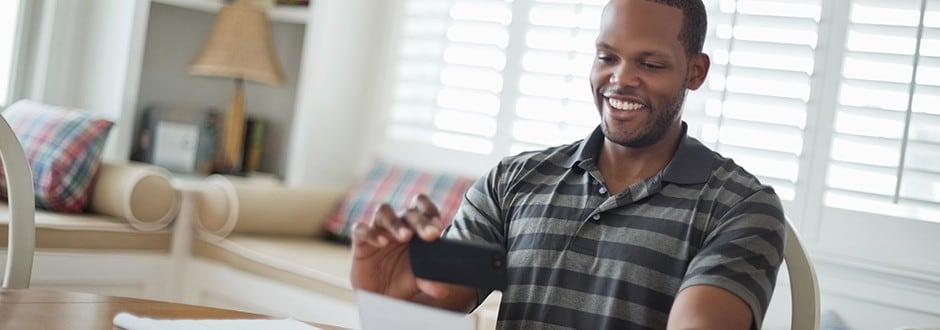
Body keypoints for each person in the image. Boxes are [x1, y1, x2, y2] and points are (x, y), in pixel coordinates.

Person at [350, 0, 786, 329]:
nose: (620, 79)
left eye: (649, 64)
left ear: (696, 72)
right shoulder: (513, 183)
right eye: (607, 57)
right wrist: (388, 300)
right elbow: (436, 303)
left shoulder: (740, 208)